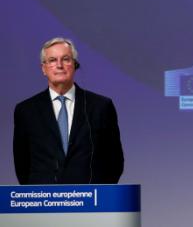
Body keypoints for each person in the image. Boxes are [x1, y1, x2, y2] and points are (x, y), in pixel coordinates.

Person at [13, 37, 124, 184]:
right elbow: (22, 164)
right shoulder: (25, 111)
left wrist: (99, 196)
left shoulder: (101, 106)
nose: (59, 65)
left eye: (65, 59)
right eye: (52, 60)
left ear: (74, 65)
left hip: (91, 201)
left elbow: (114, 161)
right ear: (43, 69)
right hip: (43, 202)